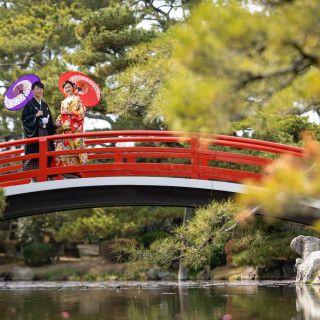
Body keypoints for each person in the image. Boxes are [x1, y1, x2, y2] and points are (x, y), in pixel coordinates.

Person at [22, 80, 56, 183]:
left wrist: (52, 125)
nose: (39, 91)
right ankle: (33, 178)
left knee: (48, 152)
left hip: (45, 132)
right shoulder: (29, 105)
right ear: (32, 91)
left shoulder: (45, 105)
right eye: (37, 89)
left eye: (41, 89)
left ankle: (49, 176)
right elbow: (24, 120)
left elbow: (50, 119)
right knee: (34, 153)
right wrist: (35, 116)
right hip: (35, 133)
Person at [54, 80, 88, 178]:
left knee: (73, 151)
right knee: (60, 152)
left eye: (69, 87)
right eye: (65, 88)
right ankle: (66, 173)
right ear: (64, 90)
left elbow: (81, 113)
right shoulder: (64, 102)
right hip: (64, 131)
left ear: (73, 88)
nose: (67, 89)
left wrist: (71, 113)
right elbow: (61, 115)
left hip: (73, 130)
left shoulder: (77, 99)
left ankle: (74, 173)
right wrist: (58, 121)